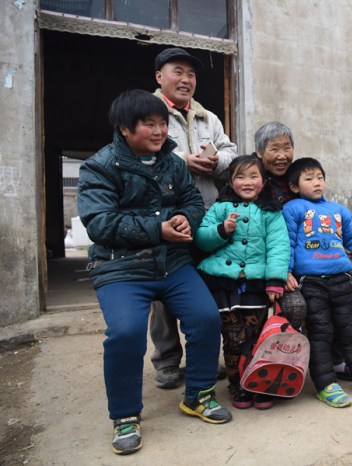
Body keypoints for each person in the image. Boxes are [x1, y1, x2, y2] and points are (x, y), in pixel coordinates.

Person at [77, 90, 231, 456]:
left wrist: (186, 217)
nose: (160, 131)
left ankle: (198, 395)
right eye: (150, 124)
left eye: (163, 123)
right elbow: (99, 223)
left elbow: (192, 200)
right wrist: (159, 226)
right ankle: (126, 415)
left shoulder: (172, 162)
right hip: (120, 266)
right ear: (125, 128)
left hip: (171, 261)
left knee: (207, 318)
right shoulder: (99, 166)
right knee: (126, 332)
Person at [149, 47, 237, 389]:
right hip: (164, 217)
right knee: (163, 294)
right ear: (159, 77)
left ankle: (203, 357)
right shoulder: (149, 112)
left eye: (192, 74)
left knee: (206, 288)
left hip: (205, 214)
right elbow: (141, 152)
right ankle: (167, 361)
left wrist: (219, 162)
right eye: (178, 72)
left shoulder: (208, 118)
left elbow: (229, 148)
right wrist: (182, 159)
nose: (186, 80)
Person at [282, 157, 352, 408]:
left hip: (341, 279)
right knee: (320, 332)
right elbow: (285, 241)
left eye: (319, 177)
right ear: (295, 187)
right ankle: (325, 385)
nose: (316, 183)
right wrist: (285, 271)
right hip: (311, 283)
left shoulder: (338, 211)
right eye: (309, 179)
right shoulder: (293, 209)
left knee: (350, 331)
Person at [194, 155, 290, 410]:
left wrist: (275, 281)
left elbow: (279, 247)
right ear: (230, 181)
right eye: (240, 176)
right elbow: (202, 240)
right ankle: (237, 385)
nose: (247, 182)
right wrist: (222, 231)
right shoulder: (220, 208)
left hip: (257, 285)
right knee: (233, 339)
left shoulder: (271, 212)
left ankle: (259, 383)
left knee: (258, 337)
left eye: (253, 176)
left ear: (264, 180)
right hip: (223, 285)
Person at [253, 122, 308, 329]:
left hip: (300, 258)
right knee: (294, 306)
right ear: (259, 151)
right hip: (265, 262)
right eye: (274, 149)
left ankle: (327, 355)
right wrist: (280, 270)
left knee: (351, 295)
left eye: (286, 148)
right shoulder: (251, 181)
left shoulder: (299, 177)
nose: (282, 156)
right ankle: (282, 354)